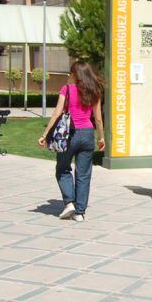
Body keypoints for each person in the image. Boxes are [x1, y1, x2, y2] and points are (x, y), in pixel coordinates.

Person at [38, 61, 106, 222]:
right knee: (83, 174)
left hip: (70, 134)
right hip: (88, 134)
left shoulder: (67, 89)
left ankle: (69, 202)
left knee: (62, 168)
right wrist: (101, 138)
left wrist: (45, 134)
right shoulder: (94, 91)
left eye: (71, 73)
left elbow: (56, 114)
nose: (69, 76)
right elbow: (98, 119)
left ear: (75, 75)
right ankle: (80, 212)